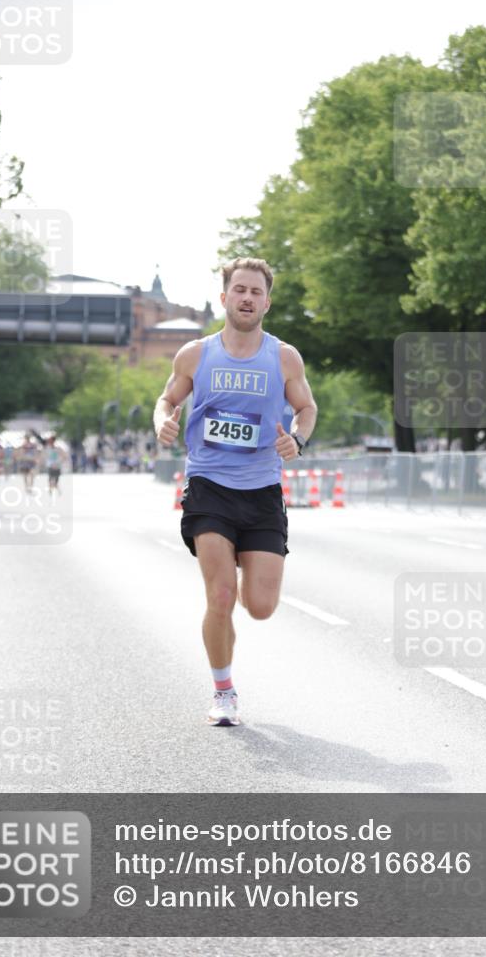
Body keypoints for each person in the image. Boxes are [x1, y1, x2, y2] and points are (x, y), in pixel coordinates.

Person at [154, 257, 318, 726]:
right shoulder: (196, 353)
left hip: (262, 488)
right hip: (208, 486)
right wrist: (163, 420)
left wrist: (297, 438)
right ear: (224, 297)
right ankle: (223, 691)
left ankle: (248, 565)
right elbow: (168, 398)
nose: (247, 298)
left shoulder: (284, 357)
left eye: (256, 292)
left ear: (267, 301)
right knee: (221, 596)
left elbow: (306, 407)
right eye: (239, 290)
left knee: (261, 607)